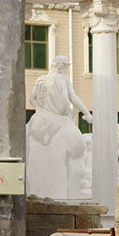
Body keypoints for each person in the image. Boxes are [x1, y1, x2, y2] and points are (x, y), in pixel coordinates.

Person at [25, 55, 93, 199]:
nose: (67, 70)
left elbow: (31, 99)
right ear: (62, 67)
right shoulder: (63, 79)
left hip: (41, 119)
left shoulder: (40, 80)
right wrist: (87, 114)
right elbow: (73, 98)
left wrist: (40, 110)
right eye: (67, 67)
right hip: (58, 121)